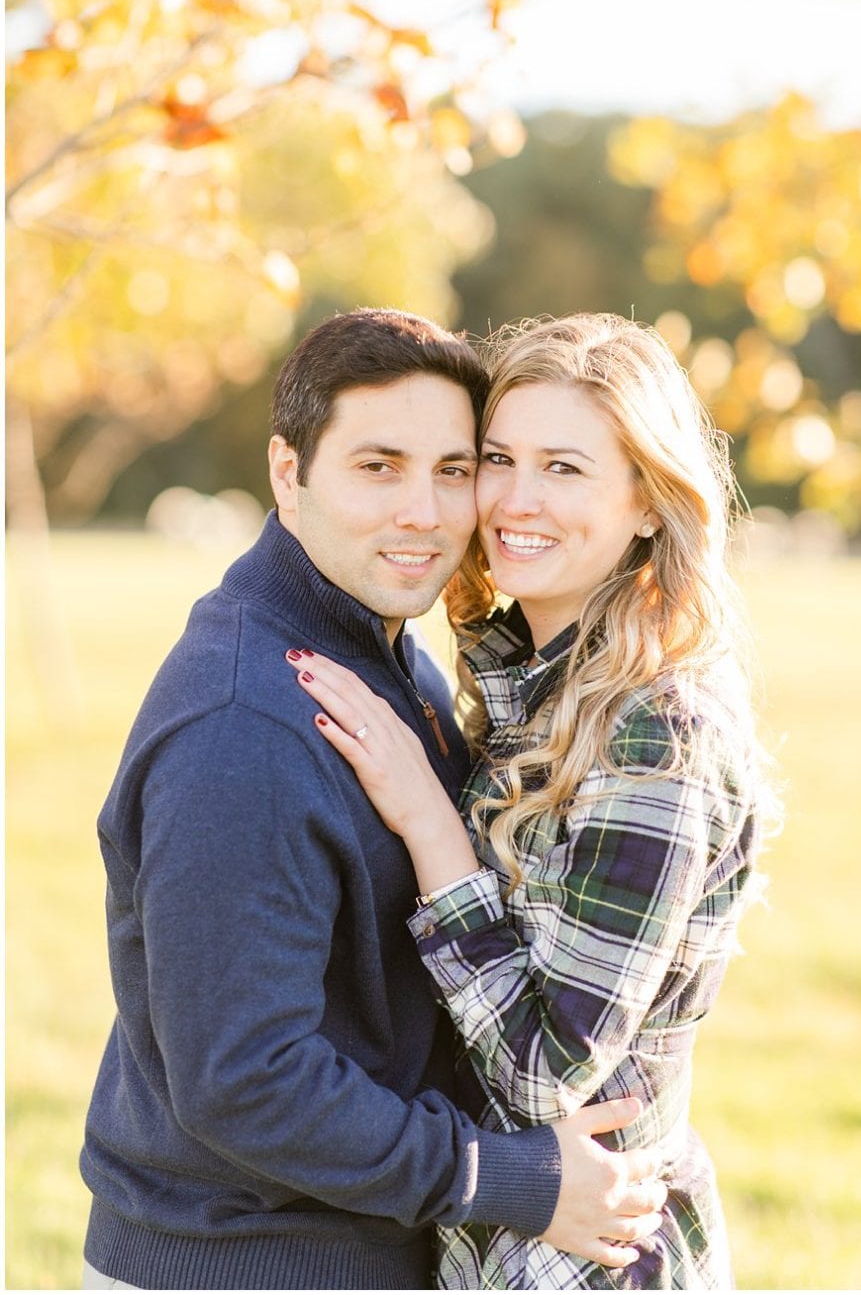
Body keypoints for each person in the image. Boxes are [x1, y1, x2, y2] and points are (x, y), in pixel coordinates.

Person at [80, 310, 664, 1290]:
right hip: (243, 1265)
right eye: (378, 465)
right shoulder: (246, 726)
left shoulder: (385, 654)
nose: (426, 513)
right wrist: (509, 1175)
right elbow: (246, 1080)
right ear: (287, 472)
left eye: (451, 468)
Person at [287, 313, 769, 1288]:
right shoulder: (530, 685)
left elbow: (548, 1072)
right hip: (499, 1243)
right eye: (498, 458)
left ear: (647, 501)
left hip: (585, 1260)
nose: (515, 498)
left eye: (565, 467)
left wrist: (427, 819)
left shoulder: (656, 733)